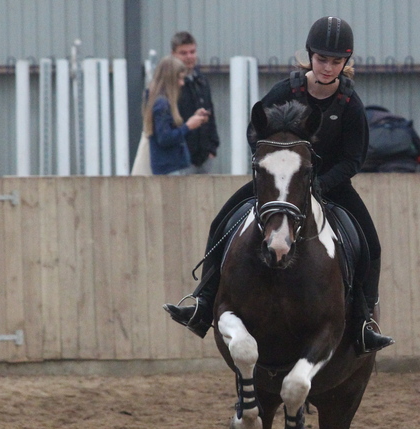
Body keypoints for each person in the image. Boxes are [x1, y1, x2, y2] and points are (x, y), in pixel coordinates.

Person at [164, 16, 394, 354]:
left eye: (335, 61)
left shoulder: (350, 105)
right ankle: (202, 303)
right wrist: (273, 170)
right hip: (280, 185)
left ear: (345, 62)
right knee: (221, 223)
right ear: (310, 56)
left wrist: (320, 183)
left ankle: (363, 322)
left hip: (329, 184)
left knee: (370, 245)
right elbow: (254, 132)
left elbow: (353, 159)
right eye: (321, 59)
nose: (328, 67)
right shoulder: (286, 91)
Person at [142, 56, 210, 175]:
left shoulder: (159, 102)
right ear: (170, 80)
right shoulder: (162, 104)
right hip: (169, 169)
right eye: (180, 79)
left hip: (170, 167)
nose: (182, 83)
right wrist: (188, 126)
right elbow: (165, 138)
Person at [170, 31, 220, 174]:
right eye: (183, 53)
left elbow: (211, 116)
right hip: (180, 159)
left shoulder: (201, 80)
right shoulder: (170, 85)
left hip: (204, 156)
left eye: (192, 52)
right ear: (173, 54)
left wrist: (212, 148)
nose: (189, 57)